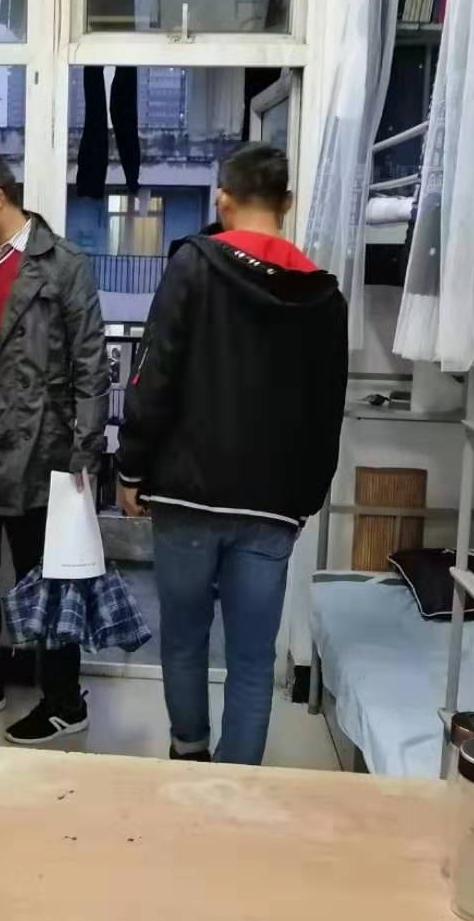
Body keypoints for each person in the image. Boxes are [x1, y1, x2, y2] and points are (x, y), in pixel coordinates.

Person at [117, 143, 347, 765]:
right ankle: (241, 780)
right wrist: (305, 499)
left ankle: (189, 755)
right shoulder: (323, 294)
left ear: (222, 198)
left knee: (185, 639)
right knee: (251, 658)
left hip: (186, 495)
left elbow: (154, 374)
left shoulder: (193, 265)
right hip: (272, 505)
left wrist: (131, 466)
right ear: (287, 203)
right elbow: (328, 408)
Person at [0, 144, 111, 745]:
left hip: (45, 452)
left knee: (52, 579)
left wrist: (86, 454)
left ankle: (64, 700)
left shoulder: (61, 265)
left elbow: (91, 365)